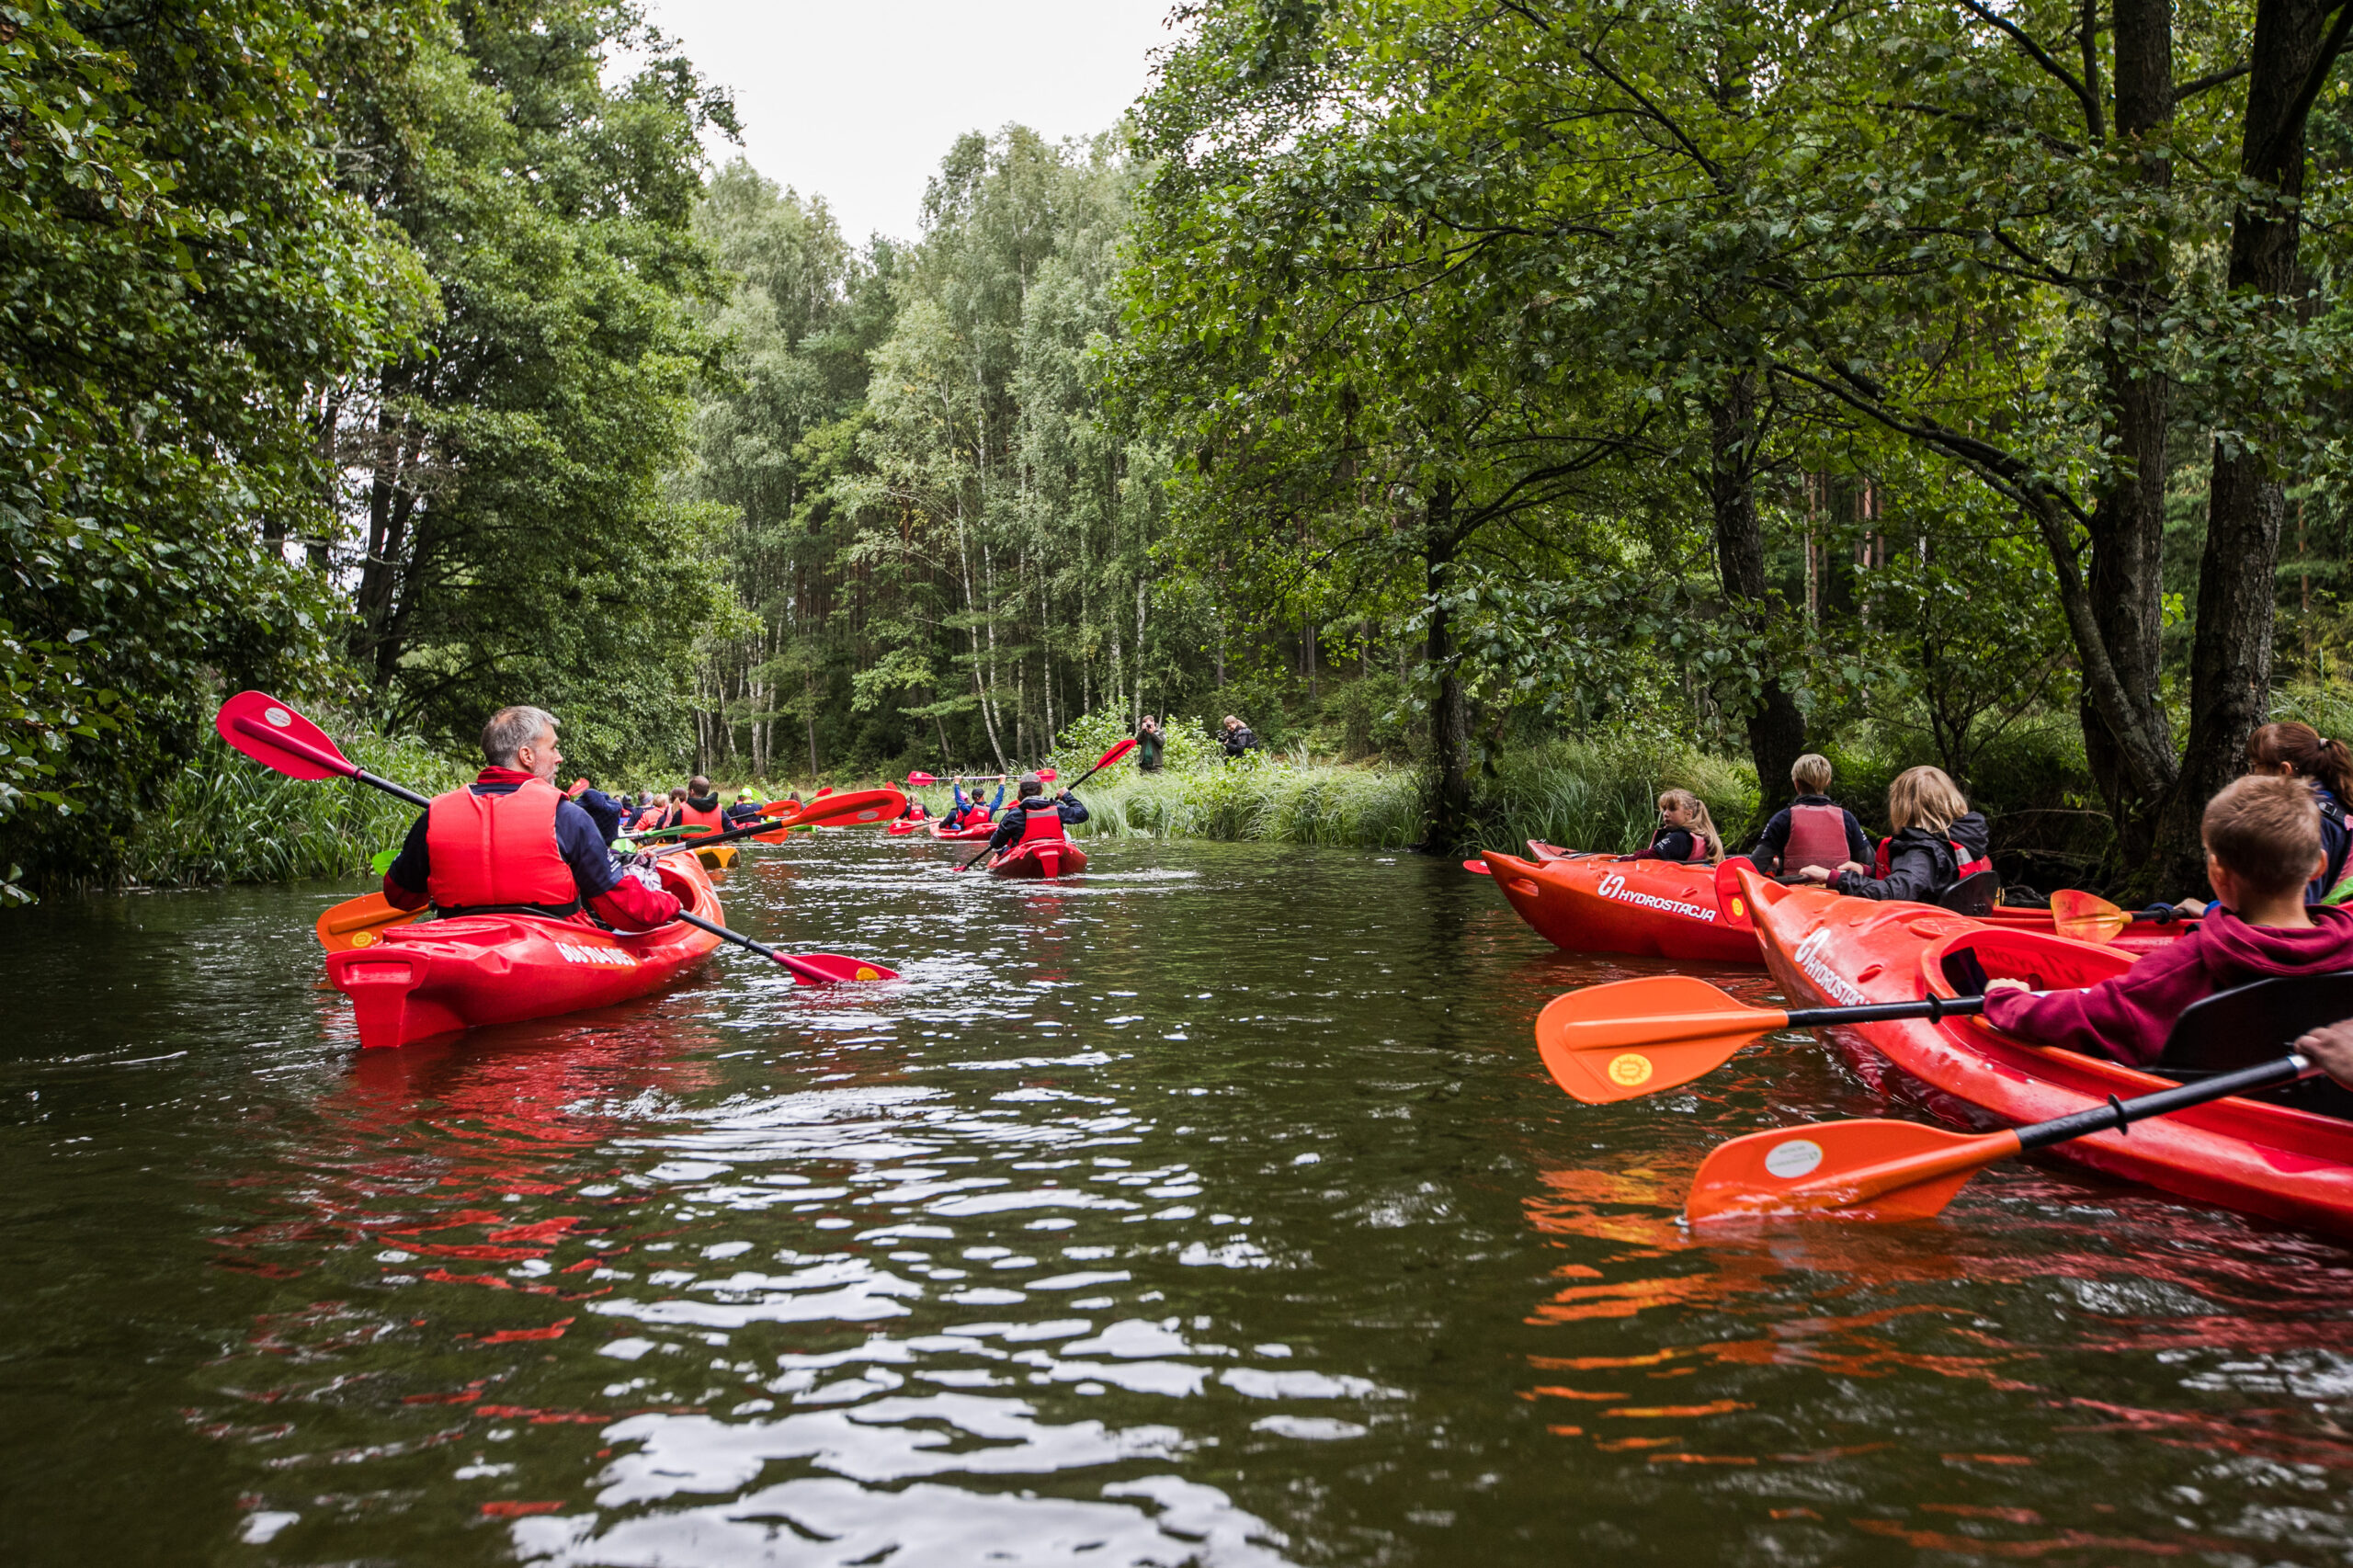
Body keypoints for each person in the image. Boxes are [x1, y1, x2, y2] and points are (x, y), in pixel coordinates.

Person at [1984, 775, 2353, 1067]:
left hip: (2202, 1120)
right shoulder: (2345, 953)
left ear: (2217, 875)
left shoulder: (2187, 966)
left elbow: (2086, 1017)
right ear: (2319, 865)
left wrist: (2006, 998)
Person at [380, 706, 681, 928]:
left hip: (456, 942)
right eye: (553, 748)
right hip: (551, 944)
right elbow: (622, 909)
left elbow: (399, 896)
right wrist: (671, 904)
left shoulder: (436, 814)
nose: (559, 757)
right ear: (527, 756)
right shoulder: (566, 816)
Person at [1798, 765, 1990, 903]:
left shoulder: (1922, 851)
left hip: (1921, 935)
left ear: (1902, 807)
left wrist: (1833, 878)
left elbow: (1895, 891)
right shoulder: (1956, 840)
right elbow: (1928, 879)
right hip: (1950, 930)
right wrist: (1867, 872)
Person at [2245, 722, 2353, 904]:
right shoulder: (2336, 799)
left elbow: (2294, 909)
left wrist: (2212, 911)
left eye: (2255, 766)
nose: (2250, 775)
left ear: (2284, 770)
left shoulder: (2304, 822)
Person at [1751, 754, 1872, 878]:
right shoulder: (1847, 819)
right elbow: (1872, 865)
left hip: (1792, 889)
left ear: (1796, 784)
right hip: (1838, 888)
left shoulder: (1782, 819)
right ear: (1828, 783)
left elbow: (1755, 866)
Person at [984, 772, 1089, 856]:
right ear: (1041, 790)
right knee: (1066, 836)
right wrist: (1067, 796)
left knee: (1000, 850)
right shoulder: (1057, 808)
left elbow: (995, 843)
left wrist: (1005, 850)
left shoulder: (1013, 815)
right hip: (1055, 850)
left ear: (1020, 793)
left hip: (1025, 857)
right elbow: (1083, 814)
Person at [1622, 788, 1724, 864]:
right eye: (1664, 809)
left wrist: (1620, 860)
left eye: (1672, 809)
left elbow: (1650, 857)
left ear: (1688, 814)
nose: (1665, 814)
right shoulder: (1701, 836)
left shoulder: (1679, 838)